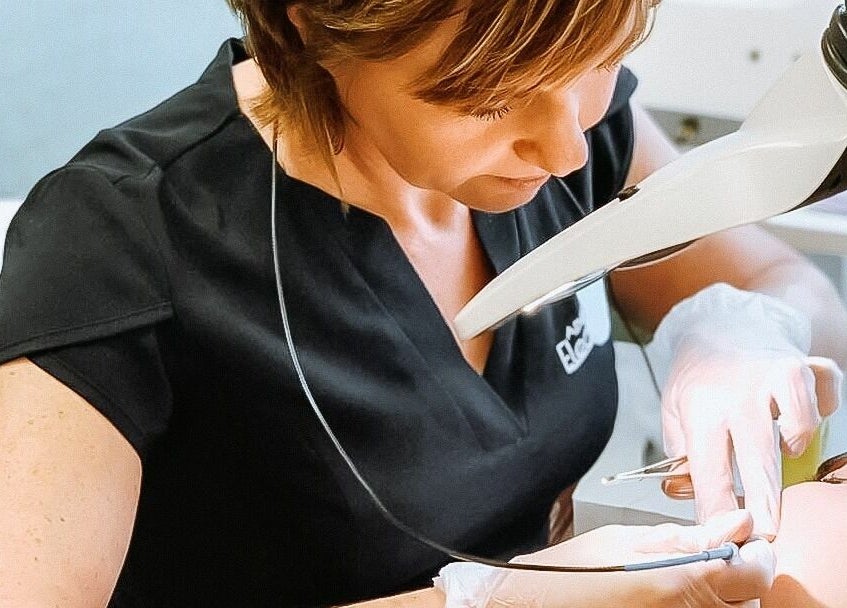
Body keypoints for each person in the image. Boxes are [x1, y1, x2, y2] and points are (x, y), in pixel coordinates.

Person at [1, 0, 846, 606]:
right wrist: (483, 602)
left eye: (600, 58)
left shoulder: (577, 120)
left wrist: (738, 330)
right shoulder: (115, 243)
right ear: (312, 26)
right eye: (490, 96)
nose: (563, 149)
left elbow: (790, 284)